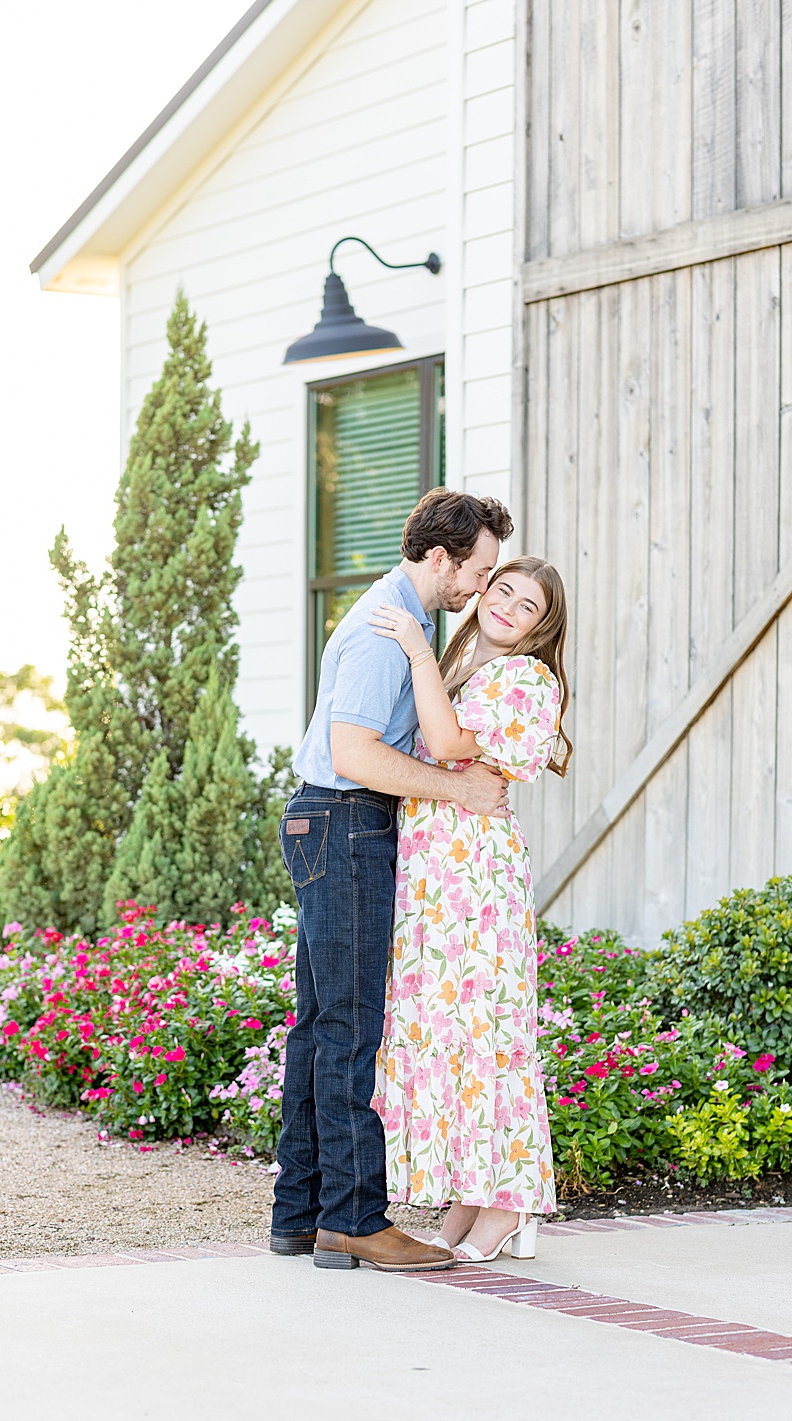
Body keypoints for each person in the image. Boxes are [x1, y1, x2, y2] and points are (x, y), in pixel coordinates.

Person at [272, 488, 515, 1273]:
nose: (479, 589)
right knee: (348, 1027)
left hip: (327, 822)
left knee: (319, 1025)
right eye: (478, 571)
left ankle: (300, 1211)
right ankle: (353, 1219)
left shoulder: (396, 618)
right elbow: (355, 755)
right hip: (347, 821)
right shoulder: (385, 634)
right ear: (441, 556)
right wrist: (461, 788)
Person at [366, 556, 572, 1263]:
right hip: (435, 880)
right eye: (503, 589)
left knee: (489, 1032)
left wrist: (416, 648)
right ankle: (475, 1190)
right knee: (448, 1033)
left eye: (528, 604)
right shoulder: (462, 665)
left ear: (542, 625)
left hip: (476, 883)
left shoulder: (524, 679)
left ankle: (511, 1201)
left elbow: (450, 743)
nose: (509, 606)